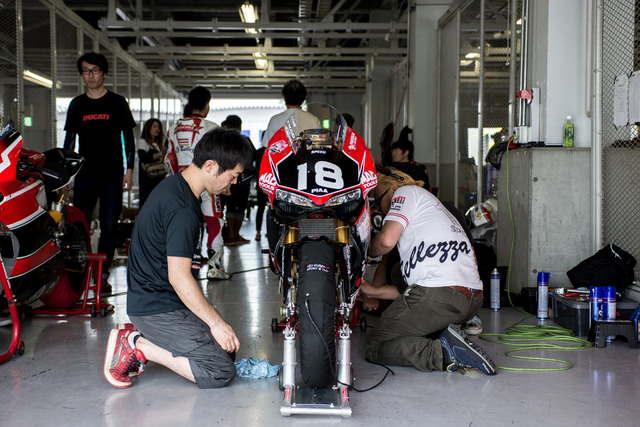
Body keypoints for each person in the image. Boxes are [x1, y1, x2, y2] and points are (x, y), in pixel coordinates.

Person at [103, 127, 253, 389]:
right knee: (218, 370)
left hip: (164, 300)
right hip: (156, 308)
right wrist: (216, 323)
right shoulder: (183, 209)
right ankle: (137, 345)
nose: (233, 184)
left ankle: (143, 340)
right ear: (210, 165)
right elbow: (179, 277)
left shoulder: (178, 187)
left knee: (226, 351)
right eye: (233, 176)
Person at [360, 169, 496, 375]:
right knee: (399, 272)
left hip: (442, 297)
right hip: (471, 299)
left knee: (374, 345)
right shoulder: (433, 206)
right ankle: (444, 334)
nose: (381, 210)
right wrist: (372, 291)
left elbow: (386, 242)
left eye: (379, 202)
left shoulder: (404, 194)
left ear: (393, 189)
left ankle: (444, 353)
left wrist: (364, 251)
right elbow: (408, 287)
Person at [63, 52, 137, 294]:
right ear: (82, 74)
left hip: (112, 175)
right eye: (86, 71)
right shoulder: (77, 105)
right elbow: (69, 142)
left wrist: (129, 170)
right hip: (84, 176)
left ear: (104, 73)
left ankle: (102, 275)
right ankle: (81, 273)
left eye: (95, 70)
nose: (90, 75)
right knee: (79, 225)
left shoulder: (117, 102)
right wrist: (66, 175)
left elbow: (128, 138)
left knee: (109, 225)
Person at [165, 86, 230, 280]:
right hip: (209, 185)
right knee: (214, 222)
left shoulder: (173, 128)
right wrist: (224, 183)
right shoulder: (212, 127)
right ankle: (215, 268)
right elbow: (221, 159)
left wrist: (175, 182)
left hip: (182, 185)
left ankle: (185, 271)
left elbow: (169, 160)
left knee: (184, 226)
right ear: (207, 104)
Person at [220, 115, 254, 245]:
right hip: (242, 180)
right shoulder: (245, 140)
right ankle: (235, 235)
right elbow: (253, 157)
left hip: (225, 179)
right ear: (240, 126)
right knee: (239, 208)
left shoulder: (222, 141)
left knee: (228, 207)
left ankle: (230, 236)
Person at [260, 79, 320, 148]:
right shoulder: (313, 120)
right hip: (307, 158)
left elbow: (268, 148)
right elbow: (318, 147)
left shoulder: (275, 120)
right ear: (304, 98)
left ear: (284, 97)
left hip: (283, 159)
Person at [136, 118, 167, 208]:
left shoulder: (158, 144)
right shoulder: (143, 142)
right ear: (148, 127)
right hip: (147, 180)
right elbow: (143, 157)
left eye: (159, 127)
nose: (157, 129)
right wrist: (161, 153)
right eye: (154, 126)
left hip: (159, 178)